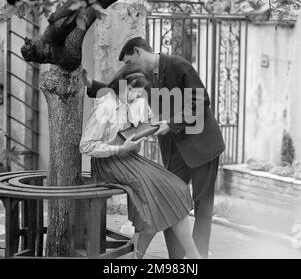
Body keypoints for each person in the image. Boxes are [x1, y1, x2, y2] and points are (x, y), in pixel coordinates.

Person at [84, 37, 225, 259]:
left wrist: (170, 123)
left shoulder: (179, 65)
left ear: (139, 52)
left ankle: (200, 257)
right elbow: (119, 90)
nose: (128, 68)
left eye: (129, 62)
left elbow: (199, 102)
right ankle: (176, 260)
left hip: (202, 147)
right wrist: (90, 84)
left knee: (202, 207)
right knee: (170, 198)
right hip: (175, 151)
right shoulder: (144, 77)